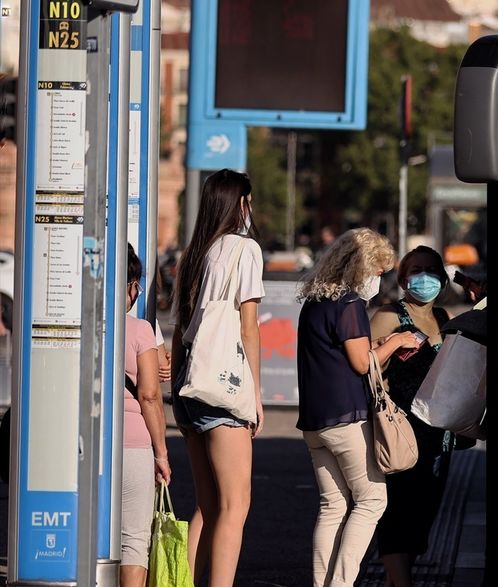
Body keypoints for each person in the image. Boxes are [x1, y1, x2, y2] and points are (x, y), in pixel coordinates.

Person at [296, 228, 422, 587]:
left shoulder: (316, 302)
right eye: (377, 272)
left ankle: (323, 583)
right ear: (360, 268)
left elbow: (340, 354)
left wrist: (375, 344)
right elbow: (362, 365)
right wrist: (396, 340)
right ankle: (341, 583)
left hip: (314, 421)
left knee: (332, 505)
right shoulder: (350, 304)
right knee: (371, 500)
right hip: (345, 418)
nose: (378, 281)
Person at [171, 168, 265, 587]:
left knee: (208, 503)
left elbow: (178, 328)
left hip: (191, 385)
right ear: (239, 203)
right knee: (235, 504)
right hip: (224, 387)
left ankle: (182, 581)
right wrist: (255, 392)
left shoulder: (194, 253)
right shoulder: (244, 250)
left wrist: (176, 389)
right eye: (249, 200)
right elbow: (249, 325)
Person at [369, 246, 454, 587]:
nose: (425, 276)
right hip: (400, 431)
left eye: (432, 269)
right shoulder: (390, 316)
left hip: (438, 434)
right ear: (404, 278)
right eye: (417, 269)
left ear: (443, 278)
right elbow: (368, 366)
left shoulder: (446, 319)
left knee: (423, 517)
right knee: (397, 515)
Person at [121, 244, 170, 587]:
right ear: (130, 286)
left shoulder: (76, 327)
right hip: (133, 446)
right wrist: (162, 453)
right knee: (134, 540)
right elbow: (150, 395)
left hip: (83, 445)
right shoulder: (139, 330)